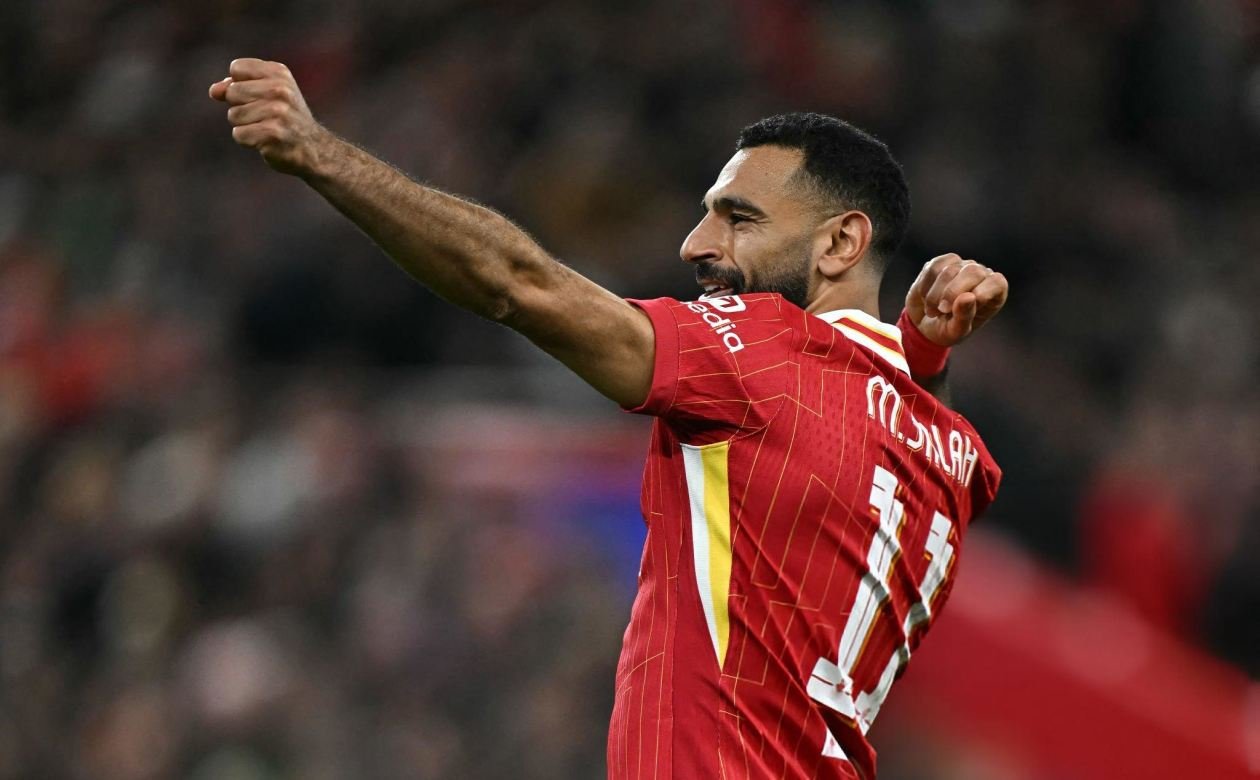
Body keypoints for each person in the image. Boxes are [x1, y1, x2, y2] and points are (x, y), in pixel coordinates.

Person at [210, 58, 1007, 780]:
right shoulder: (951, 454)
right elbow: (880, 422)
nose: (696, 244)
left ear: (840, 243)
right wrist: (922, 350)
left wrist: (319, 153)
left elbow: (517, 284)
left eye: (740, 219)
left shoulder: (767, 354)